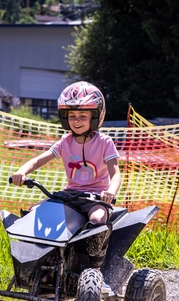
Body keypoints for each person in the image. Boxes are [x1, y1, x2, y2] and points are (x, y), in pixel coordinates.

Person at [11, 81, 121, 270]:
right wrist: (22, 172)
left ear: (95, 117)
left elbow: (116, 173)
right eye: (72, 116)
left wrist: (110, 192)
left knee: (97, 218)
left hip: (95, 197)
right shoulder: (65, 141)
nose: (76, 120)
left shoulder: (104, 142)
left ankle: (95, 266)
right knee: (32, 212)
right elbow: (39, 160)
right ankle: (35, 263)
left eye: (82, 116)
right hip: (69, 195)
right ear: (65, 117)